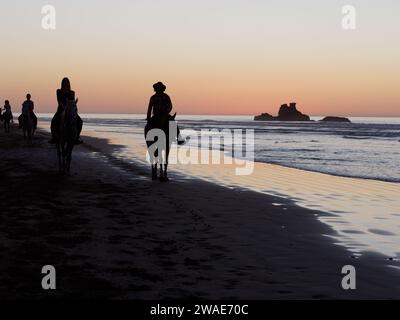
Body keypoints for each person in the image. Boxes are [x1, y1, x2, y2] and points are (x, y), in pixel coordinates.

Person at [49, 77, 83, 145]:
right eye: (64, 82)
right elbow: (59, 102)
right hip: (61, 109)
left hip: (70, 110)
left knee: (79, 121)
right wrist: (64, 107)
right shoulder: (59, 91)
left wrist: (72, 109)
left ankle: (76, 137)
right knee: (54, 121)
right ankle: (54, 137)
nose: (65, 84)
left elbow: (72, 102)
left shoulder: (72, 92)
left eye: (67, 82)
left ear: (69, 83)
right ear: (62, 83)